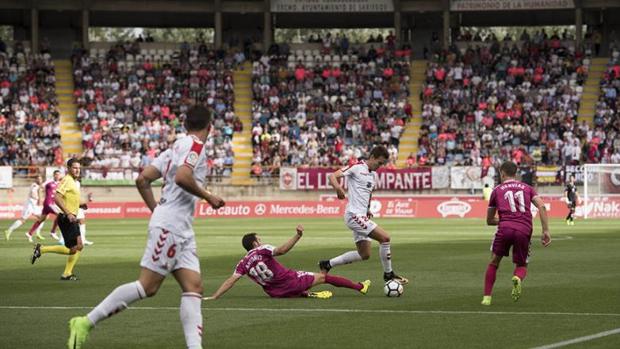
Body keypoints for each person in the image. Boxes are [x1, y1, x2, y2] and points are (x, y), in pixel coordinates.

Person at [66, 105, 226, 349]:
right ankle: (86, 322)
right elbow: (183, 177)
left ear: (184, 125)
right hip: (171, 225)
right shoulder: (195, 146)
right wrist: (208, 196)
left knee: (194, 287)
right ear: (210, 127)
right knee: (148, 286)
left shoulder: (174, 148)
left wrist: (156, 209)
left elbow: (143, 179)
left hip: (180, 227)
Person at [318, 146, 408, 285]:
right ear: (372, 157)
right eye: (379, 163)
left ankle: (327, 264)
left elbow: (368, 194)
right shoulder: (357, 167)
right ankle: (388, 274)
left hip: (361, 215)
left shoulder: (372, 174)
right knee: (385, 238)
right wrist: (338, 188)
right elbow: (332, 176)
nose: (380, 166)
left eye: (382, 164)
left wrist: (367, 209)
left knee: (364, 254)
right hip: (353, 215)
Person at [207, 225, 371, 300]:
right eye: (259, 239)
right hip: (290, 282)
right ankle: (360, 287)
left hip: (274, 293)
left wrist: (215, 296)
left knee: (300, 279)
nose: (261, 240)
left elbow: (231, 280)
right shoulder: (262, 249)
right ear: (255, 244)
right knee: (323, 277)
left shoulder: (242, 263)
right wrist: (297, 236)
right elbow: (282, 250)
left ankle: (305, 293)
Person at [481, 161, 551, 306]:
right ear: (516, 173)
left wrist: (504, 221)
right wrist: (545, 231)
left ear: (502, 173)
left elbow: (489, 220)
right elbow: (542, 207)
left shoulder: (497, 190)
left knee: (494, 262)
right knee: (522, 264)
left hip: (505, 228)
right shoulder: (528, 188)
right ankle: (517, 278)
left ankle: (487, 298)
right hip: (524, 230)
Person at [31, 159, 87, 281]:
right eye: (74, 168)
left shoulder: (72, 181)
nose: (77, 170)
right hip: (67, 218)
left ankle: (67, 273)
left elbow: (68, 199)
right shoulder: (67, 180)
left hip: (71, 217)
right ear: (68, 168)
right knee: (73, 249)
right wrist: (68, 213)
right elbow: (57, 198)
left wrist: (80, 205)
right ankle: (41, 250)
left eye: (78, 168)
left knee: (79, 246)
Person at [5, 176, 43, 242]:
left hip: (34, 206)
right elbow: (32, 194)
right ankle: (9, 230)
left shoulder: (38, 186)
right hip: (30, 205)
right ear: (36, 179)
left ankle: (36, 233)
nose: (40, 180)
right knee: (23, 220)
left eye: (41, 179)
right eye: (38, 179)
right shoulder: (34, 185)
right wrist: (38, 198)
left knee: (42, 218)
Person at [27, 171, 62, 242]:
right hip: (48, 203)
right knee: (60, 215)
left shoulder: (59, 184)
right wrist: (39, 197)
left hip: (51, 204)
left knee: (41, 219)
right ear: (54, 175)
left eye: (59, 175)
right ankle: (53, 232)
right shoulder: (49, 182)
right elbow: (40, 188)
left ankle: (29, 233)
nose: (57, 176)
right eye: (56, 175)